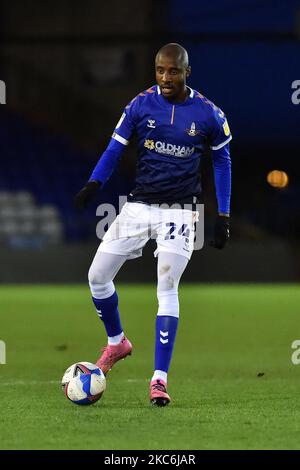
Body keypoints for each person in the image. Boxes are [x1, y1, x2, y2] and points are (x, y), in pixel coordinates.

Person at [75, 43, 231, 406]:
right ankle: (117, 343)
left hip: (180, 211)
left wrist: (222, 215)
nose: (165, 77)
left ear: (186, 72)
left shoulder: (209, 114)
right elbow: (115, 148)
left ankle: (159, 379)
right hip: (139, 206)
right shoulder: (140, 105)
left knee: (166, 282)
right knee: (97, 276)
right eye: (160, 70)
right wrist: (94, 183)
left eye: (173, 71)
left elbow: (223, 163)